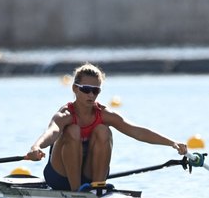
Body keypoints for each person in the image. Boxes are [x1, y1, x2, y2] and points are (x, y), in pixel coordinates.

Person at [26, 63, 188, 191]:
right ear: (75, 89)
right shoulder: (65, 114)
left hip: (88, 175)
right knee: (73, 130)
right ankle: (76, 192)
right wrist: (36, 147)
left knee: (104, 131)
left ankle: (98, 187)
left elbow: (136, 131)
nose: (91, 95)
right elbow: (52, 132)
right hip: (59, 176)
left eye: (95, 91)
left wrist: (172, 143)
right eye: (86, 90)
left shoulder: (103, 113)